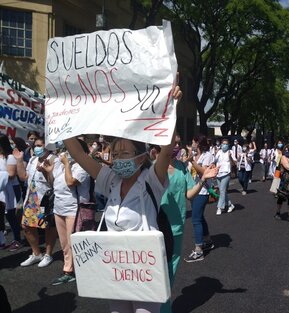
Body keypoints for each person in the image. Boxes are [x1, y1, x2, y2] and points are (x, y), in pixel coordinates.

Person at [63, 85, 182, 313]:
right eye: (115, 155)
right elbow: (78, 155)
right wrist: (62, 120)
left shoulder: (151, 181)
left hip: (145, 273)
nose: (118, 160)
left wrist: (172, 108)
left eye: (125, 154)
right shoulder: (110, 180)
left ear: (141, 157)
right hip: (115, 271)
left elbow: (166, 151)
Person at [160, 144, 218, 313]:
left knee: (170, 272)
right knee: (157, 273)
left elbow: (189, 194)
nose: (177, 145)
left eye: (178, 142)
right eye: (173, 141)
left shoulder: (181, 167)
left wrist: (203, 179)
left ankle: (163, 308)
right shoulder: (153, 167)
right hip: (155, 227)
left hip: (177, 227)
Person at [42, 141, 91, 285]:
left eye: (70, 150)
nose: (66, 152)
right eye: (66, 149)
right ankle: (69, 269)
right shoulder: (61, 165)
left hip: (74, 209)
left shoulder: (82, 167)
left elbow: (70, 182)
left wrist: (67, 164)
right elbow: (53, 183)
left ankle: (74, 271)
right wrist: (48, 172)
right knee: (64, 243)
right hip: (59, 208)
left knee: (73, 243)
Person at [15, 137, 58, 267]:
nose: (37, 148)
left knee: (48, 227)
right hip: (31, 197)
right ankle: (36, 253)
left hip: (46, 198)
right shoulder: (33, 159)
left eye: (40, 145)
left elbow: (54, 182)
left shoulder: (54, 160)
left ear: (48, 147)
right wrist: (19, 160)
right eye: (36, 145)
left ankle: (48, 254)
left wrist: (45, 171)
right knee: (26, 226)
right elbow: (23, 177)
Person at [184, 135, 216, 263]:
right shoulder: (194, 155)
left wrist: (192, 161)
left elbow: (205, 172)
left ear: (198, 143)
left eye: (193, 141)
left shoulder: (207, 155)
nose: (192, 144)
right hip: (193, 189)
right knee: (200, 217)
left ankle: (198, 250)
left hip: (202, 191)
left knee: (196, 219)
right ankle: (207, 240)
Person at [214, 138, 236, 215]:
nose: (224, 145)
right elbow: (214, 161)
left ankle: (219, 207)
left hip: (226, 173)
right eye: (223, 144)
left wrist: (230, 157)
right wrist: (215, 153)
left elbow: (234, 163)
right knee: (222, 191)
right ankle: (230, 205)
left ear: (228, 145)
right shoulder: (219, 152)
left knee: (222, 190)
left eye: (226, 144)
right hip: (218, 173)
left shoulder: (230, 152)